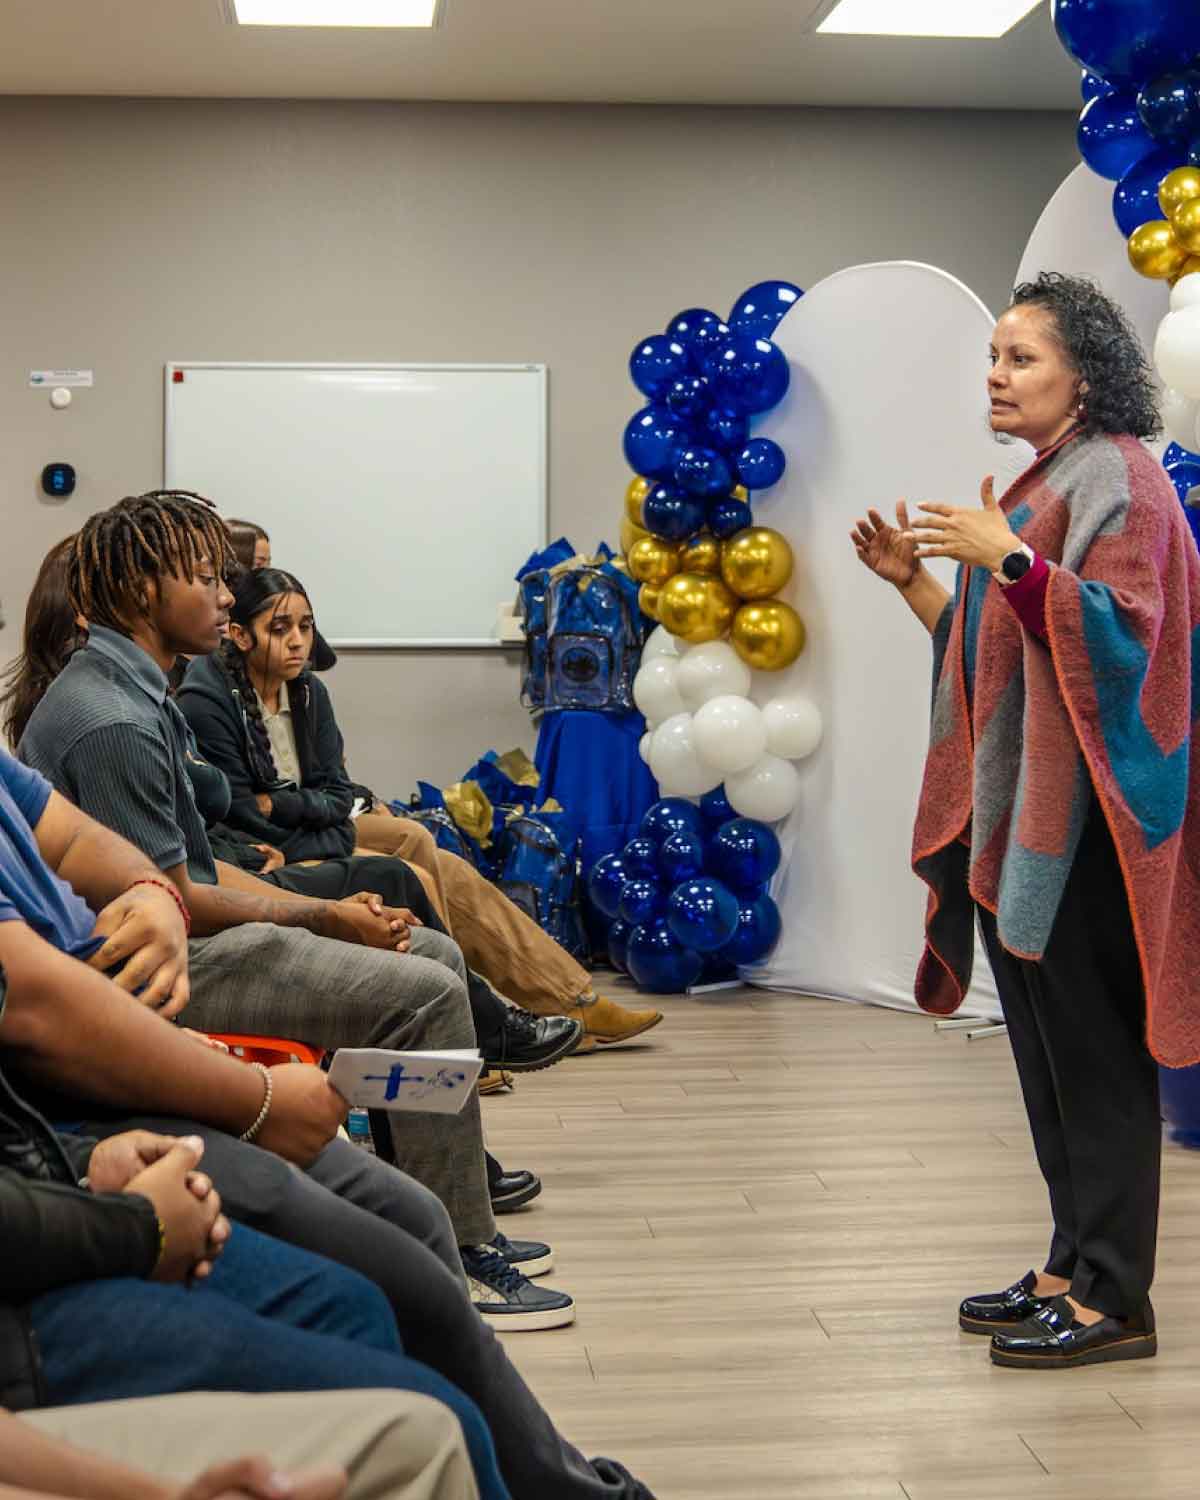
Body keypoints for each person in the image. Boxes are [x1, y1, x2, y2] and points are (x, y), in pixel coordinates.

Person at [0, 742, 654, 1497]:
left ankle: (478, 1211)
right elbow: (41, 1003)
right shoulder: (103, 715)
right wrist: (259, 1098)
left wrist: (155, 894)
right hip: (102, 1065)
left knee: (411, 1207)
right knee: (422, 987)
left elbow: (125, 849)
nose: (227, 614)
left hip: (131, 1007)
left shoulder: (218, 697)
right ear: (128, 610)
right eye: (276, 621)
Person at [16, 492, 577, 1329]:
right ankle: (458, 1253)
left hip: (188, 945)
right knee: (420, 989)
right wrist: (318, 916)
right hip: (157, 979)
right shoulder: (111, 720)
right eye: (203, 578)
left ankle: (448, 1214)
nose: (224, 598)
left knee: (432, 956)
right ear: (140, 596)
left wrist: (320, 908)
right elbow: (180, 906)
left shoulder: (138, 689)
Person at [851, 271, 1200, 1369]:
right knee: (1048, 1057)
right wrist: (918, 584)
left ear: (1084, 377)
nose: (995, 377)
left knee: (1097, 1061)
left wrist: (1007, 556)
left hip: (1094, 823)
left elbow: (1128, 643)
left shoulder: (1126, 484)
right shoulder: (1054, 477)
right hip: (1039, 816)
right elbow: (1007, 650)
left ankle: (1116, 1297)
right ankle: (1068, 1263)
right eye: (993, 359)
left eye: (1020, 359)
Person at [175, 558, 663, 1051]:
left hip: (309, 830)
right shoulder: (209, 698)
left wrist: (291, 809)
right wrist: (312, 816)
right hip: (263, 846)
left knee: (425, 846)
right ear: (239, 633)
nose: (299, 641)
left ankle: (559, 998)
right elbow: (241, 811)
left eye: (306, 627)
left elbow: (337, 794)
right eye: (281, 629)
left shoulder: (308, 692)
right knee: (419, 875)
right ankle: (475, 1021)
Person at [0, 1065, 507, 1499]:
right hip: (21, 1323)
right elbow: (46, 1009)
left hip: (47, 1182)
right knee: (428, 1425)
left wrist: (80, 1167)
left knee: (353, 1303)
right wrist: (255, 1097)